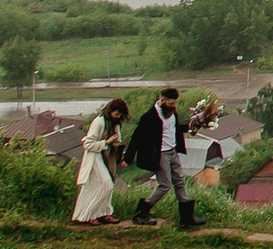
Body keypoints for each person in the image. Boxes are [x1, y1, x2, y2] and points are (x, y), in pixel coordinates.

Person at [125, 86, 195, 229]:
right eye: (170, 103)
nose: (173, 106)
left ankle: (186, 218)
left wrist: (191, 126)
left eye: (174, 103)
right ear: (161, 100)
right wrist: (128, 158)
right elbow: (136, 138)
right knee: (165, 185)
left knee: (180, 182)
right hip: (160, 154)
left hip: (173, 151)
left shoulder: (171, 113)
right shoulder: (149, 117)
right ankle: (141, 213)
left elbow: (174, 129)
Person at [73, 97, 129, 225]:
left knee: (103, 186)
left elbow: (118, 142)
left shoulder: (115, 123)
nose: (118, 116)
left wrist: (121, 158)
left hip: (108, 157)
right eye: (116, 113)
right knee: (106, 185)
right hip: (96, 156)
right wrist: (106, 143)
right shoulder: (99, 122)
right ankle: (88, 215)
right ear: (110, 110)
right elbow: (87, 144)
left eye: (120, 114)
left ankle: (103, 213)